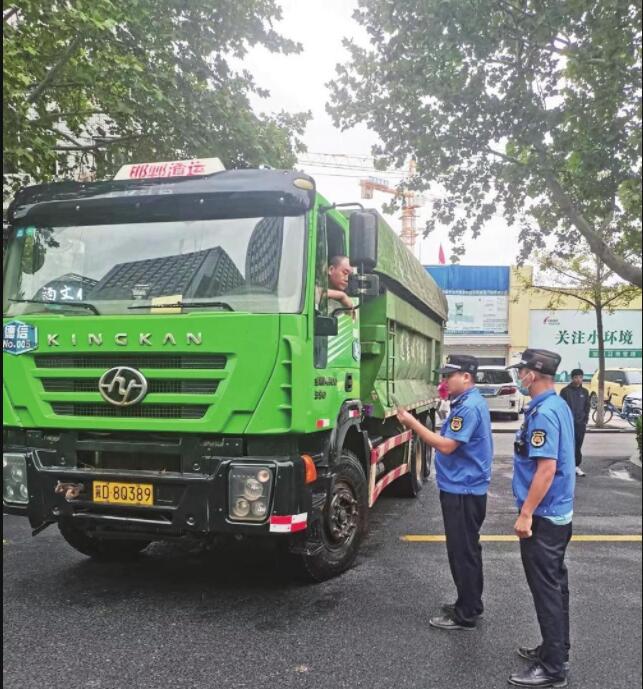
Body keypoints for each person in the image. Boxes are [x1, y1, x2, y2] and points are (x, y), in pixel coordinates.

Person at [396, 354, 493, 631]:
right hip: (463, 488)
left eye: (449, 376)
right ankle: (470, 603)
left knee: (463, 552)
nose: (444, 381)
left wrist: (412, 424)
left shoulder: (469, 408)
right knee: (466, 550)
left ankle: (466, 614)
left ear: (466, 376)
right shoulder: (467, 403)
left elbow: (447, 445)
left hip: (463, 490)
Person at [506, 349, 575, 688]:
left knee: (546, 590)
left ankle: (553, 669)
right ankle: (555, 648)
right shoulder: (555, 405)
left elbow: (546, 470)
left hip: (544, 517)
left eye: (522, 372)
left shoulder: (545, 413)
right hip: (557, 514)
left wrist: (526, 513)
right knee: (556, 587)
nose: (520, 378)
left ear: (533, 375)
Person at [560, 369, 590, 477]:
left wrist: (585, 420)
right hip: (568, 424)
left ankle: (576, 466)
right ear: (572, 378)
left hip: (580, 424)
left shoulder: (585, 392)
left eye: (580, 377)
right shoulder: (565, 391)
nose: (578, 379)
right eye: (576, 377)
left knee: (578, 445)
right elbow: (561, 407)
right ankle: (567, 466)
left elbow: (587, 407)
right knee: (568, 445)